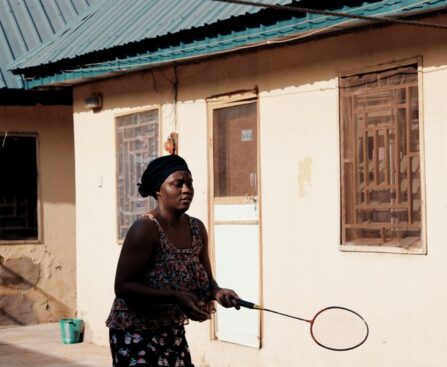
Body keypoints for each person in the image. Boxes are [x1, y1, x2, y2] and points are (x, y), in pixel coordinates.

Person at [106, 154, 240, 367]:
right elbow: (123, 287)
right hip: (135, 331)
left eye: (189, 183)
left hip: (171, 329)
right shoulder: (146, 228)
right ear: (159, 190)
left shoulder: (196, 228)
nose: (187, 189)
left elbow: (207, 280)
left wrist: (217, 292)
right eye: (178, 184)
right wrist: (175, 296)